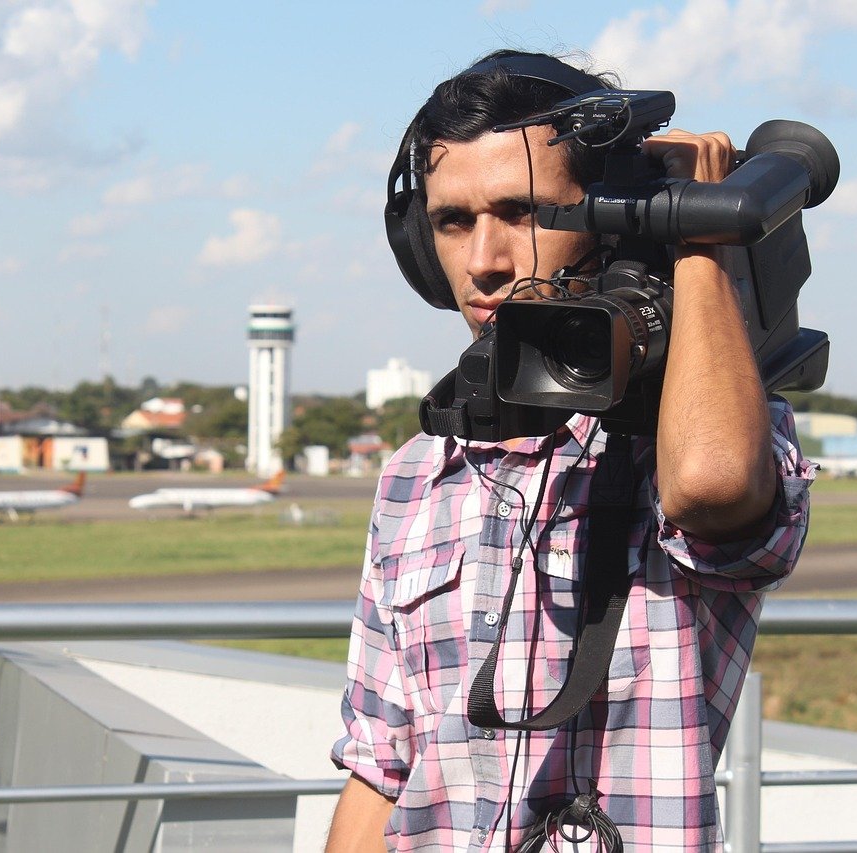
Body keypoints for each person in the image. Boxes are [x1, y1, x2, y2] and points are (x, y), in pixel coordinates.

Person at [326, 50, 814, 851]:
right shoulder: (414, 474)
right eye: (453, 222)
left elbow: (714, 485)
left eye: (522, 212)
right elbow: (381, 765)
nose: (484, 261)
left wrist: (695, 229)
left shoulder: (692, 439)